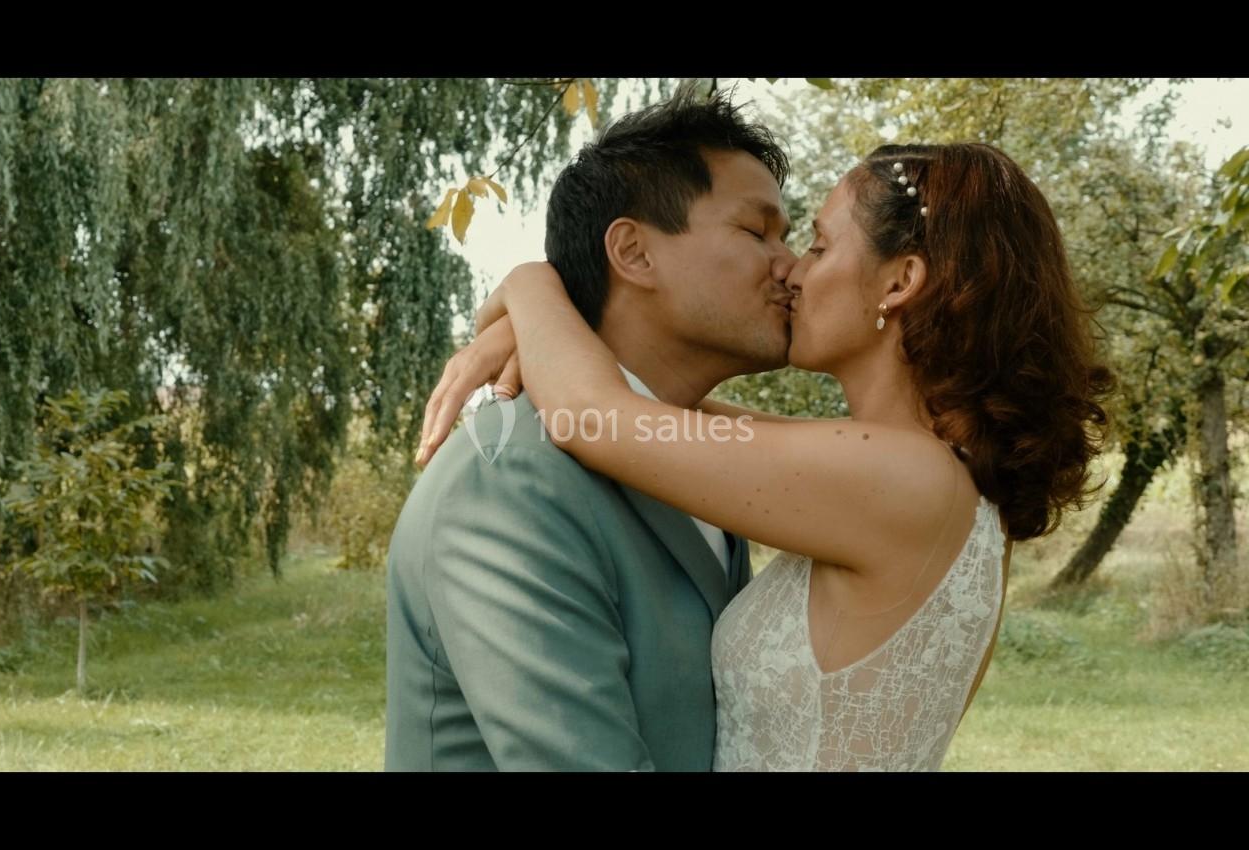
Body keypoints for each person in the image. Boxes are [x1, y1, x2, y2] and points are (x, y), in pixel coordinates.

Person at [418, 137, 1115, 770]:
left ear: (899, 283)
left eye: (815, 245)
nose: (794, 272)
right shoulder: (926, 470)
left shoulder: (900, 479)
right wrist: (539, 339)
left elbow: (596, 416)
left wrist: (529, 285)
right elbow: (658, 410)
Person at [386, 83, 797, 770]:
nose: (792, 267)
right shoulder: (510, 484)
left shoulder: (699, 455)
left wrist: (530, 291)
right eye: (757, 232)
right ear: (634, 254)